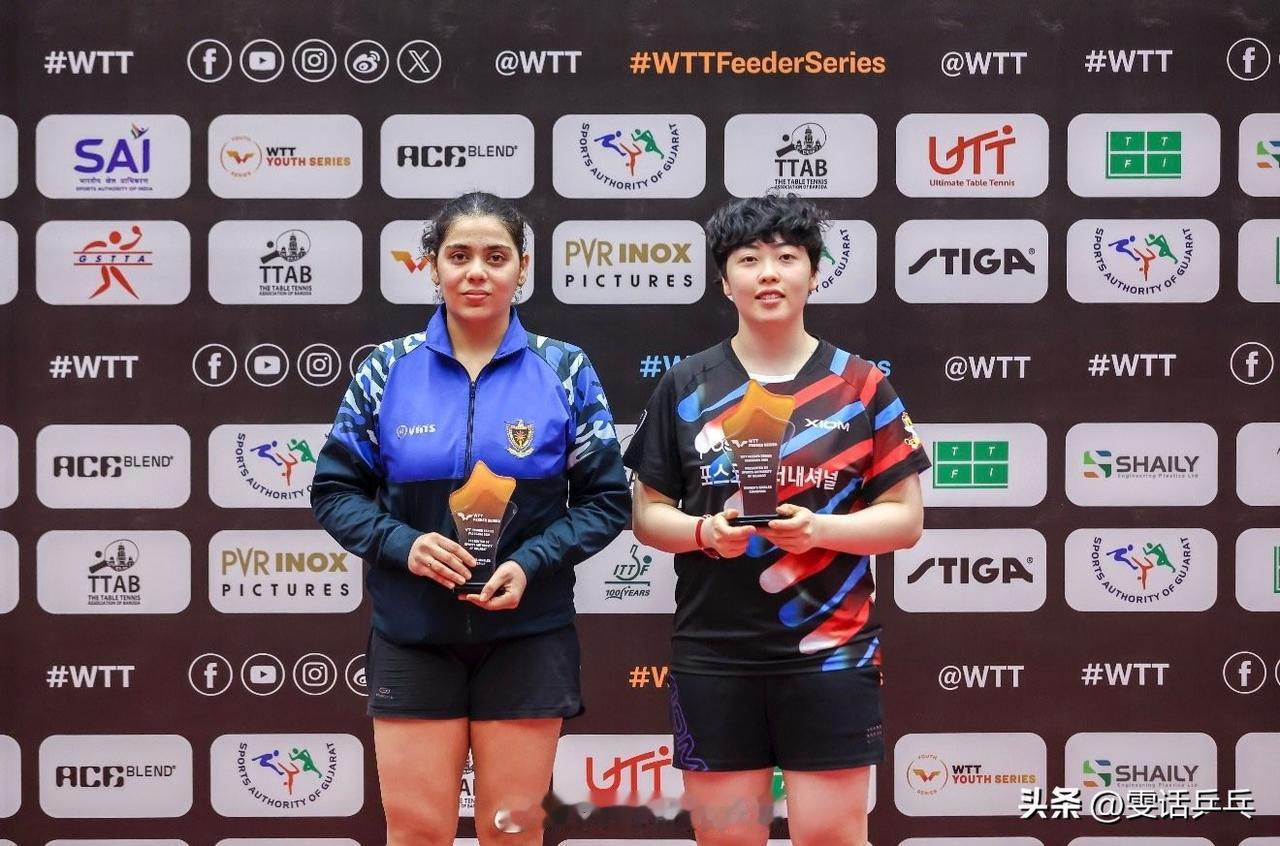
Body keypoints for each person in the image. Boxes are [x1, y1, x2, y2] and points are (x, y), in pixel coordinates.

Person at [311, 192, 629, 846]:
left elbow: (606, 501)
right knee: (418, 832)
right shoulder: (386, 370)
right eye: (458, 256)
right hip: (413, 634)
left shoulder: (565, 369)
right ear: (433, 267)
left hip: (528, 634)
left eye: (495, 256)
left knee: (510, 833)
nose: (476, 272)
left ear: (523, 267)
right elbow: (336, 491)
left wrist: (531, 562)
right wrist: (403, 543)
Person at [624, 196, 929, 846]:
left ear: (813, 274)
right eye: (749, 259)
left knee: (832, 838)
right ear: (723, 280)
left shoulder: (860, 385)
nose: (768, 273)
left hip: (831, 654)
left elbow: (904, 521)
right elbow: (647, 515)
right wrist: (705, 533)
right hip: (714, 655)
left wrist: (818, 531)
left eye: (787, 257)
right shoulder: (686, 385)